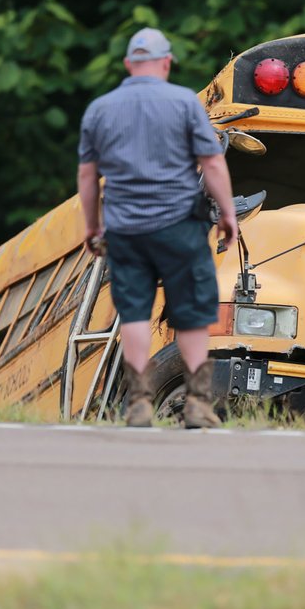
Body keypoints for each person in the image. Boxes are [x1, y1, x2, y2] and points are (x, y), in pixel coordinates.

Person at [77, 27, 239, 428]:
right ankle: (199, 404)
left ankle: (139, 404)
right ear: (166, 63)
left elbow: (86, 175)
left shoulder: (100, 109)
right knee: (191, 313)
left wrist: (92, 227)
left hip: (126, 229)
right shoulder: (184, 102)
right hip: (180, 225)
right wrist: (228, 214)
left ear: (129, 64)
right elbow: (213, 163)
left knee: (133, 312)